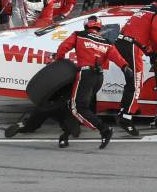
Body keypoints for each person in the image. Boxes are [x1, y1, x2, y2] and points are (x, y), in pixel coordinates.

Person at [54, 16, 133, 149]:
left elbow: (63, 47)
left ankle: (105, 130)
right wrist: (125, 67)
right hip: (99, 77)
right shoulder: (107, 41)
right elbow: (117, 58)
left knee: (77, 107)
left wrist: (58, 59)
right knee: (81, 107)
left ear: (86, 26)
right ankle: (65, 136)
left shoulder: (79, 35)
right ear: (99, 27)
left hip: (85, 75)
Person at [116, 0, 157, 136]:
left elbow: (137, 33)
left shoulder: (145, 9)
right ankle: (126, 117)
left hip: (123, 43)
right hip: (131, 47)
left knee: (131, 82)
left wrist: (149, 52)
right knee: (136, 83)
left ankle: (123, 111)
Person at [4, 88, 81, 140]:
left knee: (31, 125)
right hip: (61, 106)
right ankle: (68, 131)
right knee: (70, 124)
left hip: (45, 105)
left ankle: (22, 125)